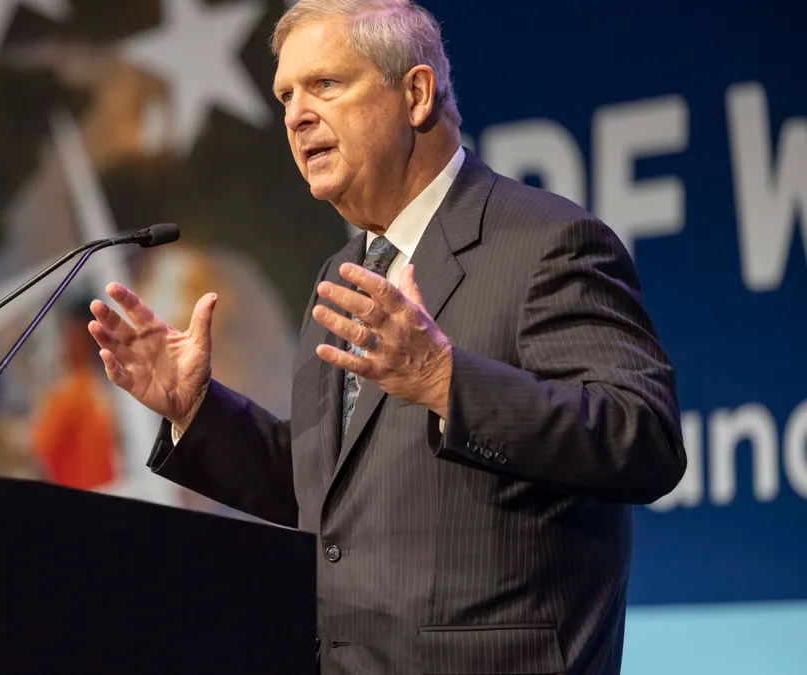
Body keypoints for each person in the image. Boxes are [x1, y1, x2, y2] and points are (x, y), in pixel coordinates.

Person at [86, 1, 686, 673]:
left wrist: (444, 381)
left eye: (325, 85)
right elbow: (329, 491)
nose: (296, 114)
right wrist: (195, 411)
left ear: (416, 94)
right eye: (285, 94)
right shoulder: (341, 276)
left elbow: (645, 439)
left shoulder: (545, 243)